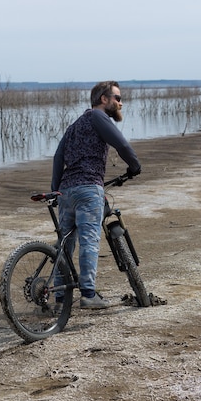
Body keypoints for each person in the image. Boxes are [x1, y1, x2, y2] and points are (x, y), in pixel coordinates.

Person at [51, 80, 141, 310]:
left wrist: (55, 190)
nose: (121, 103)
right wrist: (135, 166)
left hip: (66, 190)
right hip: (88, 188)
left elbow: (58, 158)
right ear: (104, 99)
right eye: (117, 98)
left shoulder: (75, 125)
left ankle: (60, 298)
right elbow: (120, 144)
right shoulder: (98, 117)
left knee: (65, 243)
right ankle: (89, 294)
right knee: (89, 240)